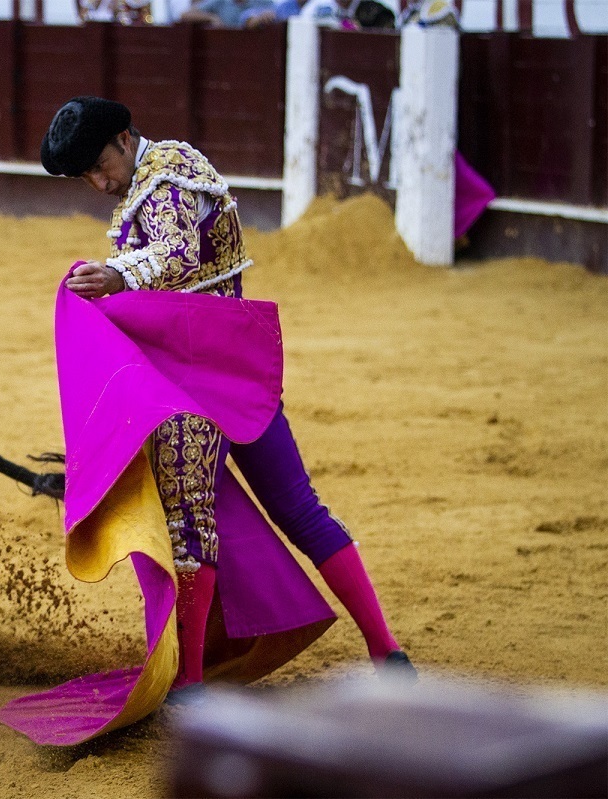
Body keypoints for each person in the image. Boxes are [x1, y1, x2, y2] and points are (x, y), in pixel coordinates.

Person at [43, 97, 416, 696]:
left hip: (194, 379)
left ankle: (191, 682)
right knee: (298, 507)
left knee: (193, 525)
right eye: (84, 175)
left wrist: (118, 277)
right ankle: (385, 649)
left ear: (123, 136)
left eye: (98, 165)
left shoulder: (162, 172)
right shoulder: (166, 172)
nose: (97, 181)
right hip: (234, 367)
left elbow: (174, 257)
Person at [179, 0, 276, 27]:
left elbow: (277, 16)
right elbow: (185, 15)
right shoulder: (220, 1)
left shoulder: (264, 2)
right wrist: (212, 17)